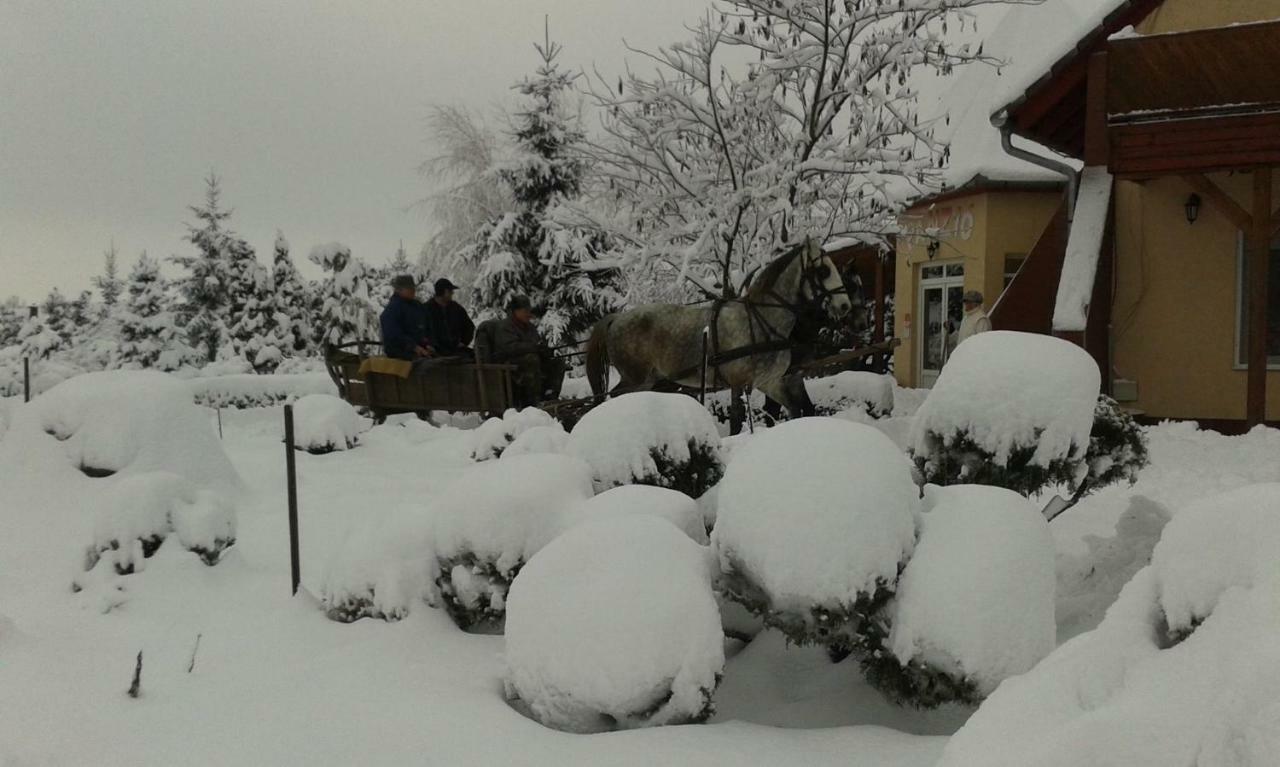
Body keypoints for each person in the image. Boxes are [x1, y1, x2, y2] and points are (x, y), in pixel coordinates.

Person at [491, 295, 565, 406]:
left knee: (558, 363)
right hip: (510, 365)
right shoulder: (504, 326)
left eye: (529, 310)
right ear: (515, 311)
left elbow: (537, 342)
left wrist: (543, 350)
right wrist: (534, 348)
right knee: (532, 359)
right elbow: (510, 348)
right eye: (525, 310)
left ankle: (550, 396)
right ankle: (532, 401)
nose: (529, 314)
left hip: (529, 362)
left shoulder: (530, 327)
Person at [379, 275, 433, 361]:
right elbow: (393, 334)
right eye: (409, 288)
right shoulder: (393, 309)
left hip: (422, 350)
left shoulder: (417, 306)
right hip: (400, 353)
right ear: (398, 290)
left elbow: (427, 325)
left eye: (413, 288)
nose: (413, 291)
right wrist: (413, 347)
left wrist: (428, 343)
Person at [424, 278, 475, 357]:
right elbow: (419, 331)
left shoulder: (456, 308)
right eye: (449, 291)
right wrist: (427, 345)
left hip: (455, 349)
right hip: (435, 351)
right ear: (442, 292)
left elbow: (469, 326)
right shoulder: (426, 309)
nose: (452, 293)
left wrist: (464, 342)